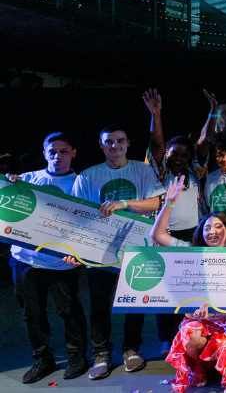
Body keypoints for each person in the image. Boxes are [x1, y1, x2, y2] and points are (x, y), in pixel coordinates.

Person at [70, 124, 166, 379]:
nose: (115, 145)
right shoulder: (87, 177)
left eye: (120, 140)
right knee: (100, 305)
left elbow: (156, 202)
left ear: (128, 143)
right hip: (99, 250)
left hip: (137, 249)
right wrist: (74, 248)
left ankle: (131, 350)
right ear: (101, 146)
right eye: (109, 141)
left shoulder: (142, 170)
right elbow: (77, 216)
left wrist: (123, 203)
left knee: (134, 303)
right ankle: (101, 355)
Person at [149, 179, 226, 392]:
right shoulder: (189, 251)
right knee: (191, 333)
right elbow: (157, 236)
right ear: (201, 233)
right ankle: (197, 365)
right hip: (199, 319)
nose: (212, 231)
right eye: (207, 228)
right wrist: (169, 203)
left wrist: (219, 312)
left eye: (218, 226)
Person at [5, 133, 88, 383]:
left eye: (64, 151)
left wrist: (82, 254)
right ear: (44, 153)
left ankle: (77, 357)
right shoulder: (28, 179)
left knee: (69, 310)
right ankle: (42, 359)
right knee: (32, 313)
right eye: (52, 151)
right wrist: (9, 186)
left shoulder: (81, 182)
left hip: (61, 262)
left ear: (73, 152)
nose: (57, 156)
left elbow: (88, 223)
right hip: (24, 259)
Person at [142, 88, 206, 356]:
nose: (178, 158)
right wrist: (156, 114)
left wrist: (212, 113)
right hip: (164, 235)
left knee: (187, 286)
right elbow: (156, 145)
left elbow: (204, 140)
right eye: (174, 153)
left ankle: (186, 332)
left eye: (184, 154)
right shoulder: (158, 172)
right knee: (165, 288)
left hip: (191, 235)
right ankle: (167, 338)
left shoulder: (194, 171)